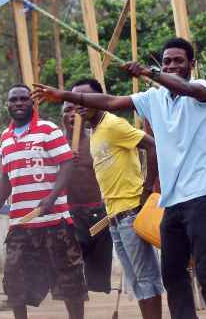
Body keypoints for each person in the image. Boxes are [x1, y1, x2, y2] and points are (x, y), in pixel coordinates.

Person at [34, 38, 206, 319]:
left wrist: (150, 73)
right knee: (173, 275)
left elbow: (187, 88)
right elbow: (111, 101)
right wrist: (64, 95)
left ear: (192, 64)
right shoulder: (153, 99)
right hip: (172, 202)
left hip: (204, 196)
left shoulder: (203, 90)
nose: (172, 66)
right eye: (167, 61)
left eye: (178, 61)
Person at [0, 84, 87, 319]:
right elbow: (5, 176)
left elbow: (67, 163)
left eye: (24, 99)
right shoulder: (5, 137)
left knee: (69, 283)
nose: (19, 103)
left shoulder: (48, 130)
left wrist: (51, 198)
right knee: (15, 284)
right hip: (21, 224)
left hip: (56, 223)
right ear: (8, 105)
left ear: (32, 104)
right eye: (14, 100)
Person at [70, 78, 163, 318]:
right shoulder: (95, 132)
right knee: (137, 282)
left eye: (86, 99)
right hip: (114, 218)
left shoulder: (113, 125)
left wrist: (147, 189)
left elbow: (152, 146)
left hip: (131, 212)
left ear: (99, 99)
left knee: (146, 280)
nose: (80, 105)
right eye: (75, 100)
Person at [60, 101, 113, 294]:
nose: (73, 114)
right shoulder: (55, 145)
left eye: (77, 110)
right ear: (62, 117)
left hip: (99, 215)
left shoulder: (96, 140)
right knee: (73, 273)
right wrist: (62, 165)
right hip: (69, 216)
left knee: (98, 278)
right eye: (67, 111)